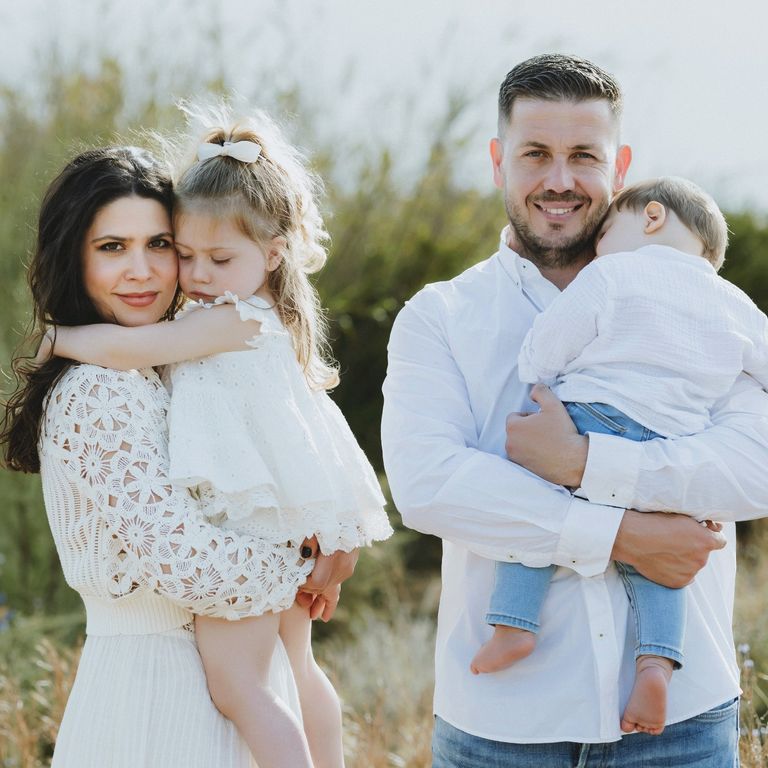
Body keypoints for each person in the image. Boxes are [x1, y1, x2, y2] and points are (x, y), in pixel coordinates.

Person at [382, 54, 768, 767]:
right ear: (498, 161)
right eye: (535, 153)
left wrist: (584, 463)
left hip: (683, 728)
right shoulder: (439, 317)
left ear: (620, 166)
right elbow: (430, 486)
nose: (559, 179)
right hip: (502, 728)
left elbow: (757, 471)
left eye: (583, 156)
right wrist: (627, 533)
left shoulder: (701, 309)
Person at [47, 108, 392, 768]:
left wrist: (54, 339)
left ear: (272, 252)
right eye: (113, 247)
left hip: (251, 523)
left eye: (159, 246)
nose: (166, 272)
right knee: (293, 670)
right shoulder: (117, 383)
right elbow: (188, 563)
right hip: (167, 666)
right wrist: (306, 559)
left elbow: (133, 348)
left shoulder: (220, 325)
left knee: (256, 685)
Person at [472, 176, 768, 735]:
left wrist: (537, 371)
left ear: (651, 217)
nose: (598, 247)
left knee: (534, 499)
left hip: (594, 417)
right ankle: (656, 664)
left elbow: (551, 343)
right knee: (664, 559)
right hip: (672, 441)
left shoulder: (612, 273)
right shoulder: (735, 303)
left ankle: (514, 624)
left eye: (606, 232)